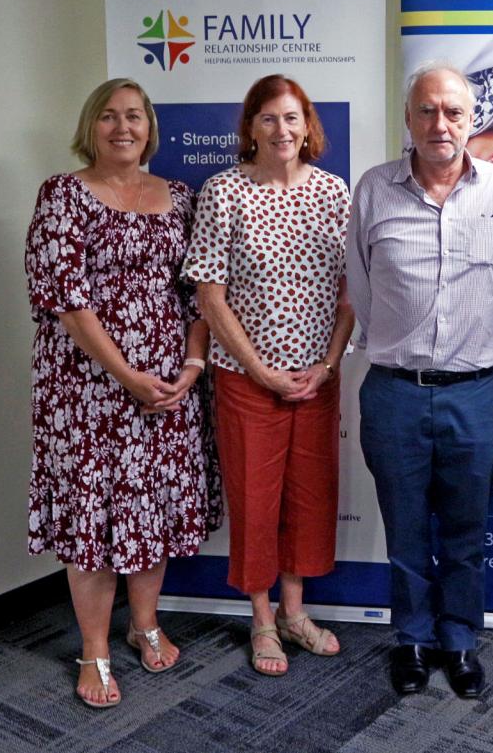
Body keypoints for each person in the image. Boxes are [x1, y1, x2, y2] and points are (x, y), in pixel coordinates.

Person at [25, 78, 221, 709]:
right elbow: (65, 301)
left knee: (150, 509)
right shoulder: (63, 195)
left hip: (168, 385)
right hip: (88, 389)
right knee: (95, 517)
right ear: (92, 126)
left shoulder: (183, 198)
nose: (122, 127)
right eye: (108, 116)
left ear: (149, 126)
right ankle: (95, 650)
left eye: (134, 116)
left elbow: (200, 292)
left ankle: (143, 625)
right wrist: (128, 376)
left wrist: (191, 366)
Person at [346, 64, 493, 699]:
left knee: (467, 530)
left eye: (452, 112)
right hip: (394, 389)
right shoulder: (372, 190)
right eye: (426, 111)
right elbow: (361, 290)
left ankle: (460, 640)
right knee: (406, 529)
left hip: (479, 392)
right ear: (408, 118)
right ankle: (413, 639)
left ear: (472, 118)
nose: (440, 124)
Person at [182, 75, 353, 677]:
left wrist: (327, 365)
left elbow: (350, 290)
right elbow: (209, 293)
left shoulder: (334, 193)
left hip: (317, 380)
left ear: (308, 127)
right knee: (257, 502)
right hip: (246, 381)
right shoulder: (225, 192)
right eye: (269, 119)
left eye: (293, 118)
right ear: (250, 128)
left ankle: (295, 612)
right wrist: (259, 370)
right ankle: (260, 619)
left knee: (307, 500)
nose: (282, 130)